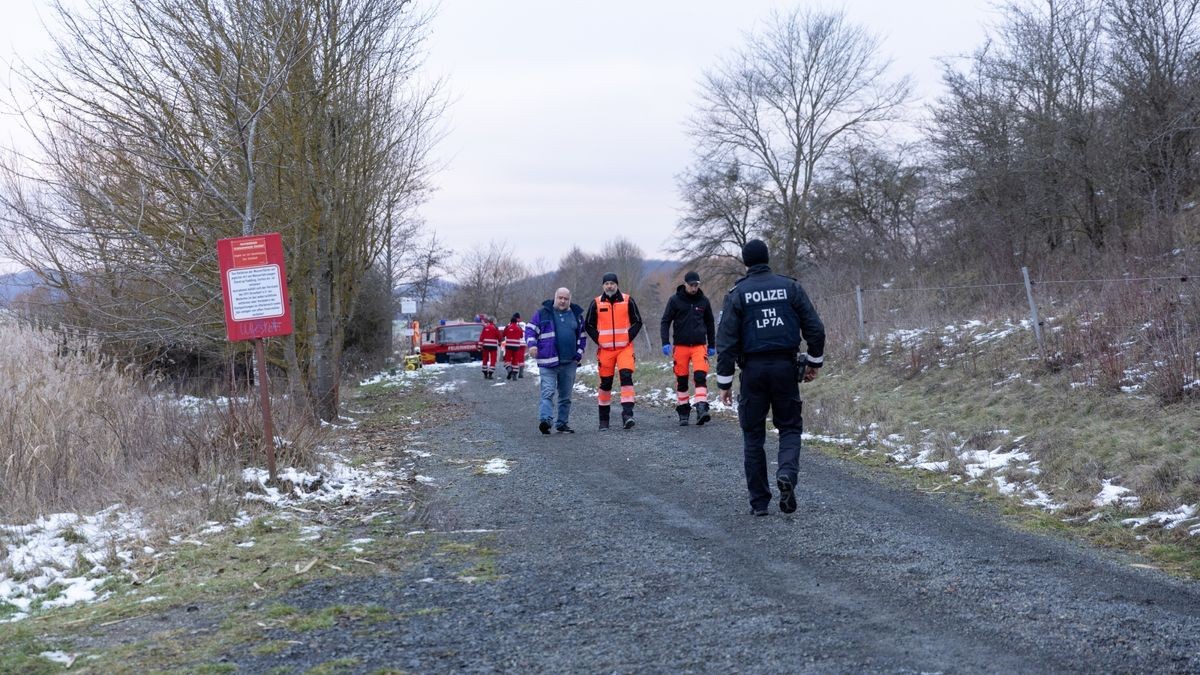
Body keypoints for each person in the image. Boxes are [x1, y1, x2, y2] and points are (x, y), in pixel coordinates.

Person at [716, 239, 825, 517]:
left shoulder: (738, 293)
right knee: (789, 427)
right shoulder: (790, 287)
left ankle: (759, 502)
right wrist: (813, 361)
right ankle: (787, 473)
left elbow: (726, 341)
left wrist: (724, 383)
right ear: (767, 259)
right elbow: (815, 328)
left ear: (746, 262)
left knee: (753, 436)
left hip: (752, 371)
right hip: (785, 368)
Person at [584, 273, 644, 430]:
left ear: (617, 284)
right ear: (603, 286)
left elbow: (638, 321)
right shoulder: (596, 303)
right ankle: (604, 420)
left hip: (624, 348)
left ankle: (627, 415)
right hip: (605, 350)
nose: (609, 286)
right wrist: (600, 340)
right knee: (605, 384)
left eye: (612, 283)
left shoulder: (627, 300)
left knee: (626, 376)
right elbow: (588, 325)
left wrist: (628, 337)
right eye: (606, 283)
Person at [526, 288, 587, 434]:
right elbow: (530, 330)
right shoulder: (543, 313)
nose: (562, 301)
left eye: (566, 298)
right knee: (547, 392)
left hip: (569, 362)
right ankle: (546, 420)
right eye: (560, 298)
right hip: (548, 361)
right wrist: (532, 345)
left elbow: (582, 337)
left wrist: (578, 354)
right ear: (555, 298)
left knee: (565, 396)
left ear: (569, 299)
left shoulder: (576, 315)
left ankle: (562, 423)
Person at [660, 270, 717, 426]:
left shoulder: (703, 301)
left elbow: (710, 323)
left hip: (699, 346)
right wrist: (665, 342)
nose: (693, 288)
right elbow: (665, 321)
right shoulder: (675, 301)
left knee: (700, 376)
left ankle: (701, 409)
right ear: (685, 284)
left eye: (696, 285)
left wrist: (712, 344)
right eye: (691, 285)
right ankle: (683, 411)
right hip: (681, 346)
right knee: (682, 379)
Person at [502, 313, 526, 380]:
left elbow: (504, 334)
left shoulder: (509, 325)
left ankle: (510, 370)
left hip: (510, 344)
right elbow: (522, 335)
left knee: (509, 359)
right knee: (519, 359)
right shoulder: (523, 325)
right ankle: (519, 373)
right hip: (520, 344)